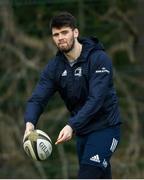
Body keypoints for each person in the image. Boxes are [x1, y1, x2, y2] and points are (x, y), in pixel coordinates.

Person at [23, 12, 121, 179]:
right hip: (83, 132)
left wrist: (71, 126)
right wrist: (29, 125)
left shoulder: (99, 59)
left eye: (64, 32)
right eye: (56, 34)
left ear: (75, 32)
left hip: (106, 128)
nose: (60, 37)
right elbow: (38, 98)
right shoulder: (54, 67)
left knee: (87, 175)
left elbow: (96, 100)